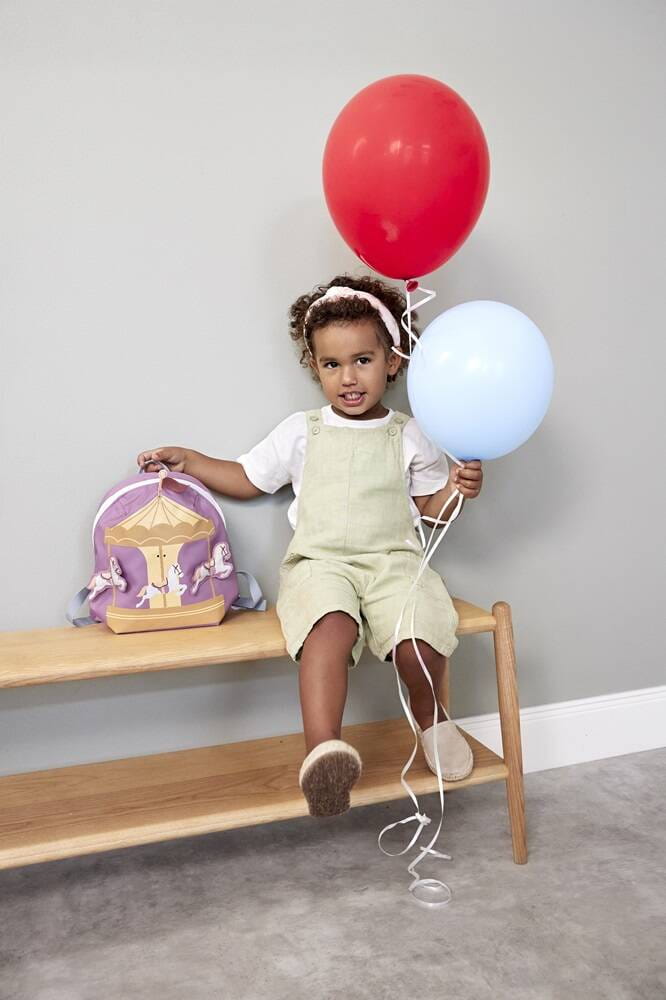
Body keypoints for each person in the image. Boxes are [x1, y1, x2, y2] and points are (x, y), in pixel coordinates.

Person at [137, 275, 483, 818]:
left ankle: (432, 720)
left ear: (393, 361)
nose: (348, 377)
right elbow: (248, 477)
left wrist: (457, 489)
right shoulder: (303, 431)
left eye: (363, 360)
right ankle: (324, 753)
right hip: (321, 564)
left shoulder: (410, 434)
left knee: (418, 636)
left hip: (393, 563)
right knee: (329, 628)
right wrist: (193, 462)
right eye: (331, 364)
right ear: (315, 367)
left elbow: (430, 510)